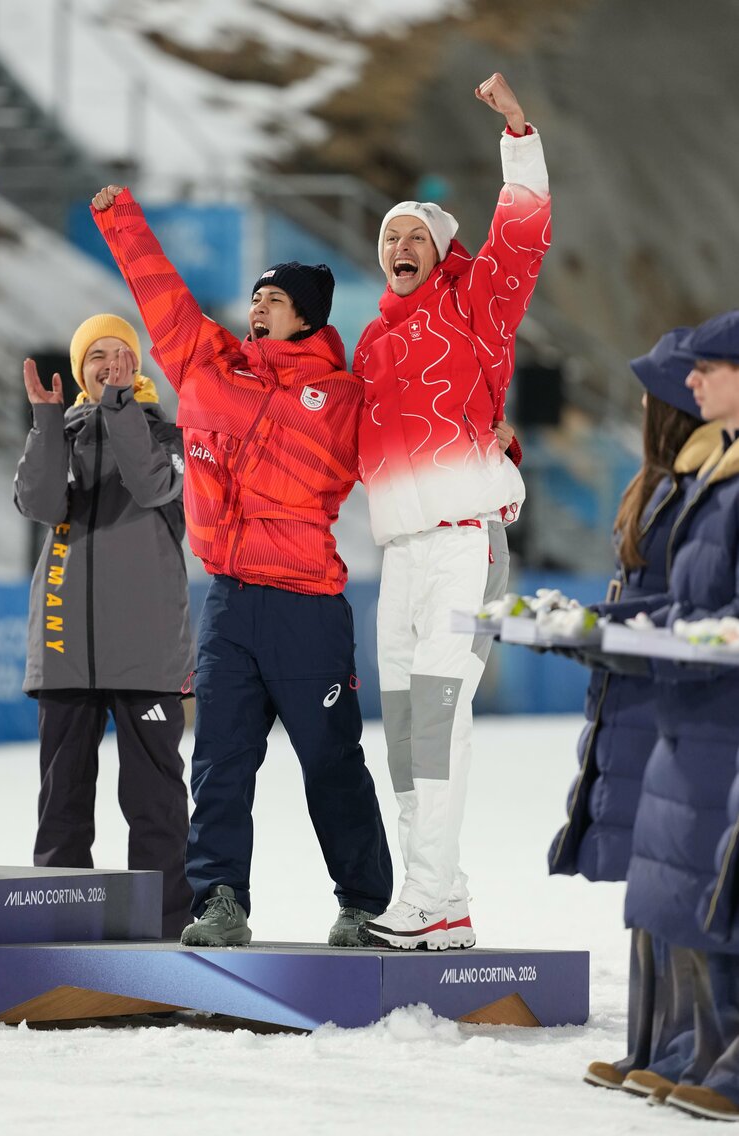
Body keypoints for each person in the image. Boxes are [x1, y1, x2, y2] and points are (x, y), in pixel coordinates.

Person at [90, 185, 393, 948]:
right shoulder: (207, 365)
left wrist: (493, 452)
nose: (258, 305)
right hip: (228, 602)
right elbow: (159, 293)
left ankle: (364, 903)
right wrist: (121, 219)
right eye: (255, 294)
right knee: (220, 761)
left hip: (308, 606)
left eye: (276, 298)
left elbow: (417, 443)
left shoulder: (347, 395)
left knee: (331, 764)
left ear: (309, 314)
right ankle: (220, 899)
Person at [354, 72, 550, 950]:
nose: (399, 243)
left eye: (413, 233)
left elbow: (520, 236)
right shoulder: (371, 342)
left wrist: (516, 132)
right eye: (388, 235)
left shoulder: (475, 307)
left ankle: (428, 896)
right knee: (402, 731)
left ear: (438, 249)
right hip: (402, 554)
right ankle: (442, 900)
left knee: (436, 717)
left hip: (465, 546)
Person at [547, 331, 717, 1097]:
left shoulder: (696, 486)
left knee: (681, 880)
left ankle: (690, 1046)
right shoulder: (661, 483)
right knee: (655, 882)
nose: (645, 400)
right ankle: (657, 1042)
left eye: (657, 389)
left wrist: (618, 626)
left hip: (675, 696)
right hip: (643, 689)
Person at [14, 314, 194, 938]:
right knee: (61, 804)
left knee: (155, 807)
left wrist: (118, 409)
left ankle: (165, 935)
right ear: (80, 369)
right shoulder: (56, 435)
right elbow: (40, 504)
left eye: (121, 353)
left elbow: (149, 486)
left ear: (137, 367)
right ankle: (61, 940)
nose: (109, 363)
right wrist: (44, 423)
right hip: (64, 650)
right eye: (97, 355)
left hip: (145, 655)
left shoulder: (168, 435)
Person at [611, 310, 739, 1119]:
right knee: (678, 874)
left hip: (720, 705)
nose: (690, 383)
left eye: (708, 368)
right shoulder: (712, 469)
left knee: (712, 876)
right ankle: (692, 1046)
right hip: (692, 699)